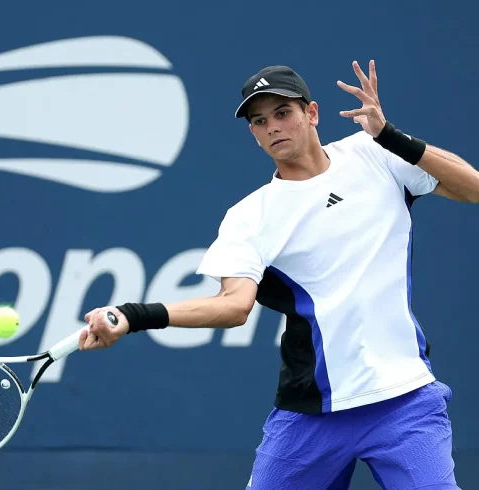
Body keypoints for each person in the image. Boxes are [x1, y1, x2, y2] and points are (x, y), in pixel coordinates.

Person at [78, 60, 479, 489]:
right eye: (259, 121)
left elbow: (472, 188)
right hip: (310, 415)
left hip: (404, 401)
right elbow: (233, 306)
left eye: (282, 113)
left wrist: (391, 137)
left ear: (312, 113)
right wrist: (135, 315)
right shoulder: (250, 217)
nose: (272, 127)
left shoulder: (375, 154)